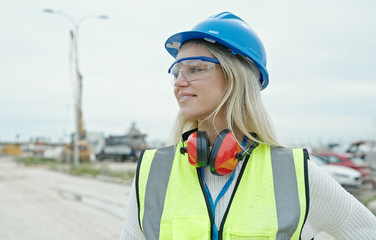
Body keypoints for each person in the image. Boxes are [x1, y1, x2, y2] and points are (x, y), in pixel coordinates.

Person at [121, 12, 376, 240]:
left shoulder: (296, 175)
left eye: (194, 69)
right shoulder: (151, 173)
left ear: (236, 77)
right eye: (176, 72)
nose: (179, 82)